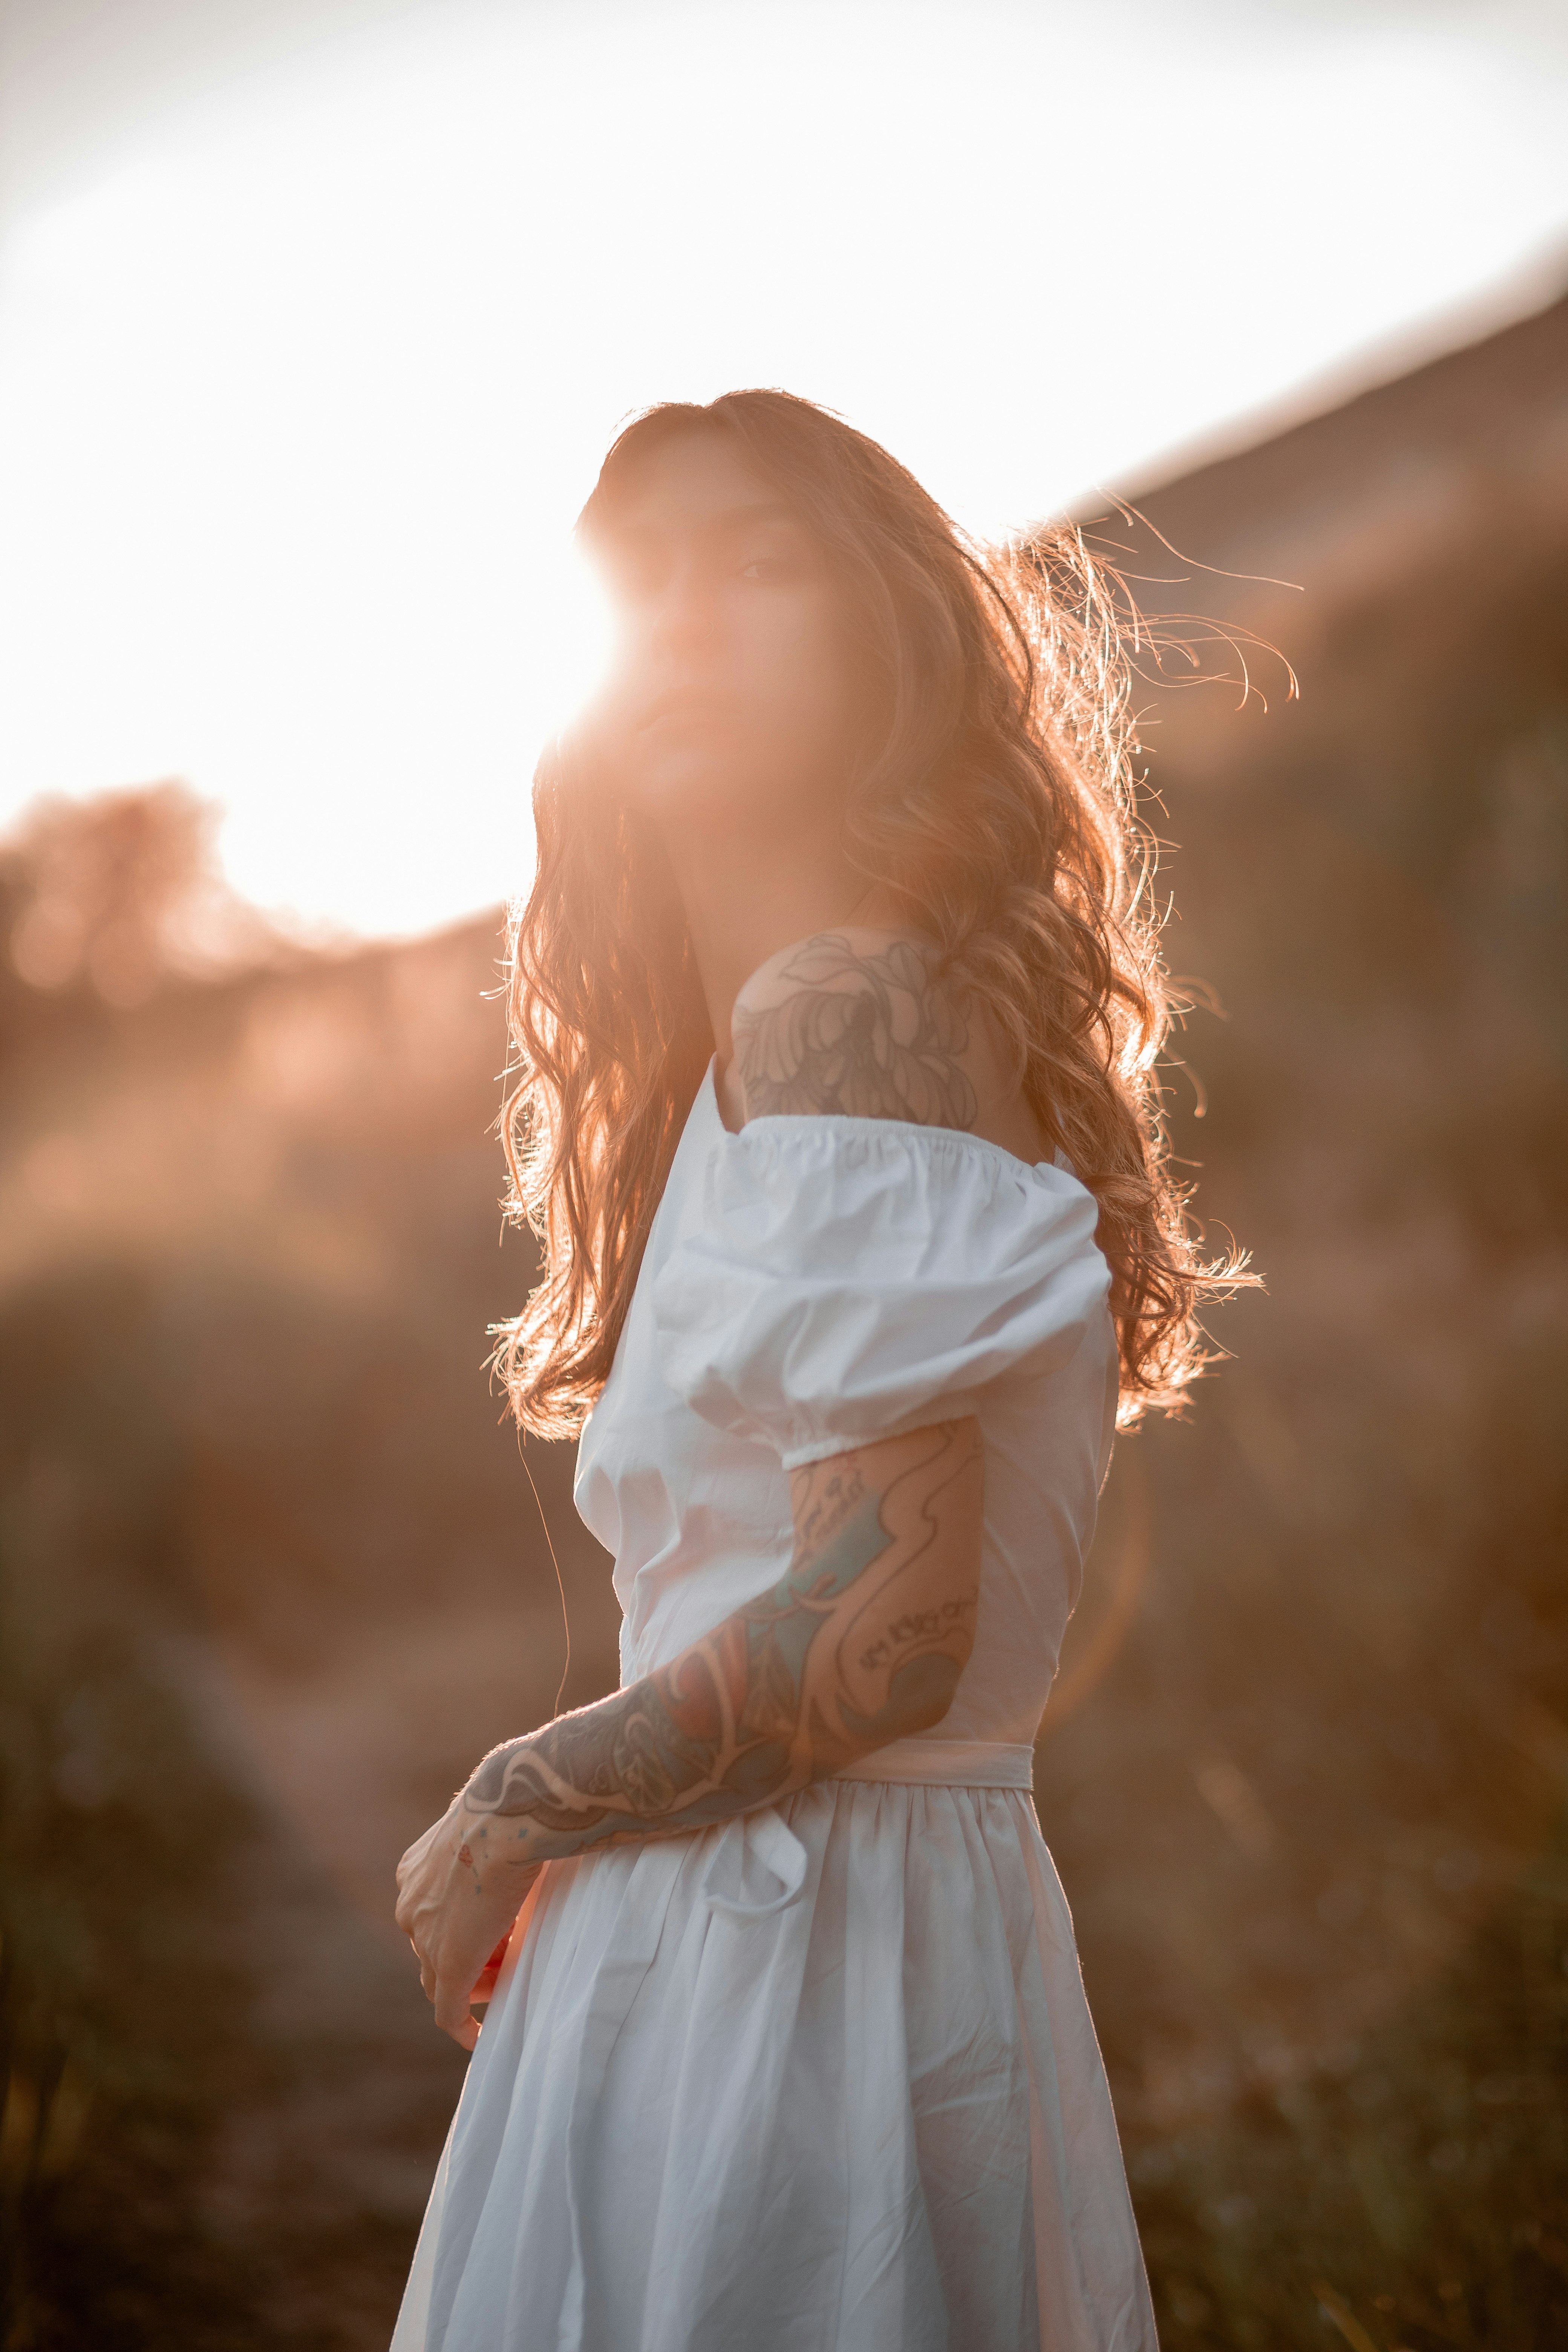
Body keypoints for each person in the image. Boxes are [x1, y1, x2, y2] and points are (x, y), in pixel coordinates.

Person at [392, 389, 1232, 2351]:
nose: (679, 619)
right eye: (638, 578)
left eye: (756, 562)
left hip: (800, 1975)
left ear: (893, 642)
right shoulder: (776, 1042)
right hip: (750, 1948)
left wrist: (518, 1791)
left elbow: (887, 1631)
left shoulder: (849, 1008)